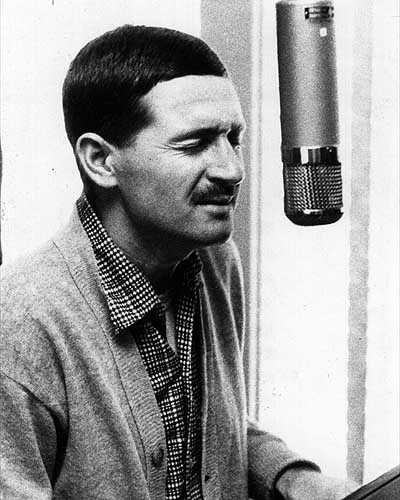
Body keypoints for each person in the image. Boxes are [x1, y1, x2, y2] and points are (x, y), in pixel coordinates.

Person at [0, 25, 356, 499]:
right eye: (194, 144)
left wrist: (291, 479)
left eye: (233, 138)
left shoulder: (214, 260)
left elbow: (206, 434)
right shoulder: (20, 324)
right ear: (100, 161)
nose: (232, 169)